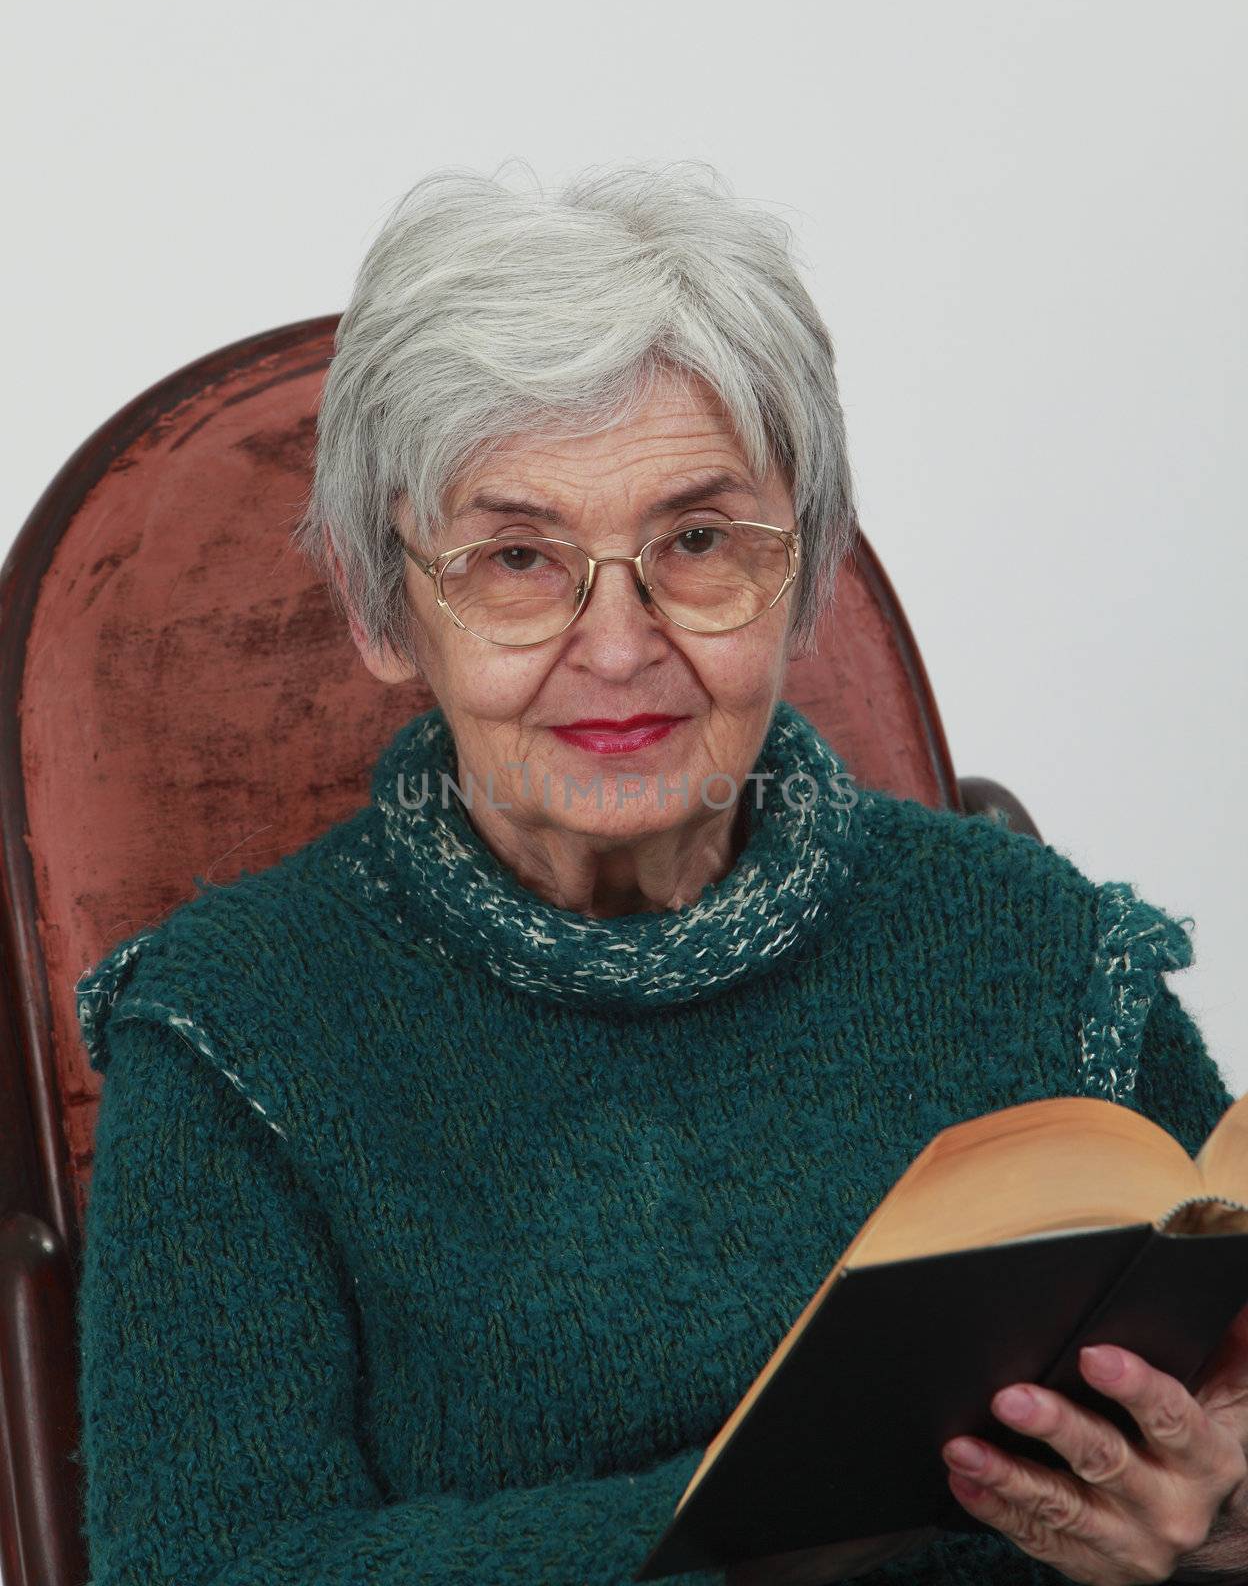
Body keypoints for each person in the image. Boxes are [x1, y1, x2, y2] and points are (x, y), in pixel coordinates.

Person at [74, 160, 1248, 1586]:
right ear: (386, 608)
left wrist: (1216, 1514)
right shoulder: (230, 1031)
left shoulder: (1043, 948)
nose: (618, 645)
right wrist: (773, 1520)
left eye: (695, 541)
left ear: (801, 562)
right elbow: (212, 1567)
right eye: (516, 556)